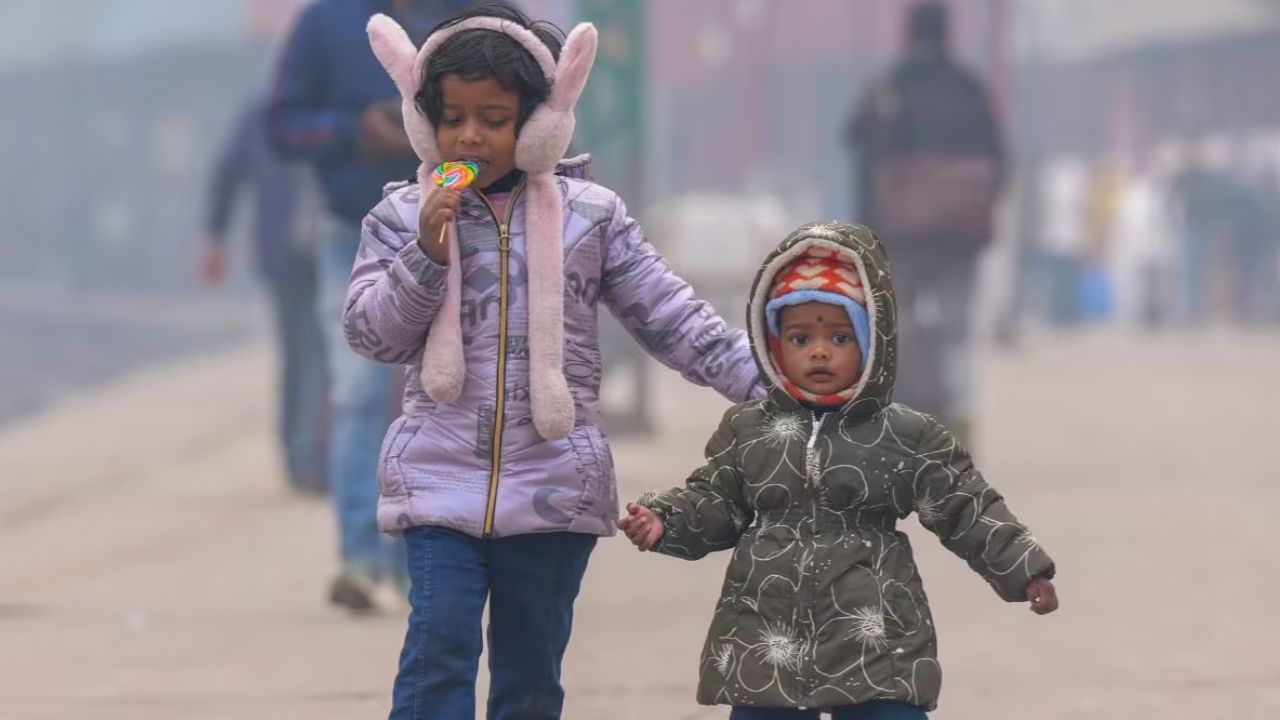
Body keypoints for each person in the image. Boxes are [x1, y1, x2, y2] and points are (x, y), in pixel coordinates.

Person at [354, 5, 763, 717]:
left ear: (540, 124)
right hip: (438, 485)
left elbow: (671, 317)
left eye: (494, 118)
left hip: (554, 489)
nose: (470, 135)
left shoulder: (592, 218)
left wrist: (771, 385)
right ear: (425, 123)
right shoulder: (399, 218)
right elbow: (372, 335)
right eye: (452, 118)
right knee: (437, 647)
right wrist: (425, 255)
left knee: (531, 673)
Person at [620, 220, 1059, 719]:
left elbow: (965, 505)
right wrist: (665, 520)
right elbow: (716, 500)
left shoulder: (904, 434)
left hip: (875, 635)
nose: (820, 350)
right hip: (769, 634)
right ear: (772, 343)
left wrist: (1024, 569)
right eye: (800, 337)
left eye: (841, 336)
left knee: (889, 713)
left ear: (874, 342)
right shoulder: (748, 430)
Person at [270, 0, 471, 612]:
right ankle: (360, 555)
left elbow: (533, 112)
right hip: (352, 235)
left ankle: (428, 559)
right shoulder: (327, 20)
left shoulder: (474, 13)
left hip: (464, 235)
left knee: (447, 392)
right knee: (358, 391)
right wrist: (353, 132)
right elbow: (283, 124)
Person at [844, 1, 1004, 438]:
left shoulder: (890, 89)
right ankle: (961, 417)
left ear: (907, 35)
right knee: (957, 332)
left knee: (893, 325)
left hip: (901, 236)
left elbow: (857, 146)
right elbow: (999, 159)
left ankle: (899, 421)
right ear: (949, 34)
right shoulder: (970, 90)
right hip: (961, 235)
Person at [202, 95, 327, 497]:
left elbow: (226, 174)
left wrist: (216, 237)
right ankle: (305, 460)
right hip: (289, 256)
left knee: (308, 356)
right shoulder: (265, 114)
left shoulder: (327, 107)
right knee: (308, 355)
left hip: (333, 250)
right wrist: (215, 237)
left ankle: (305, 458)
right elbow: (227, 174)